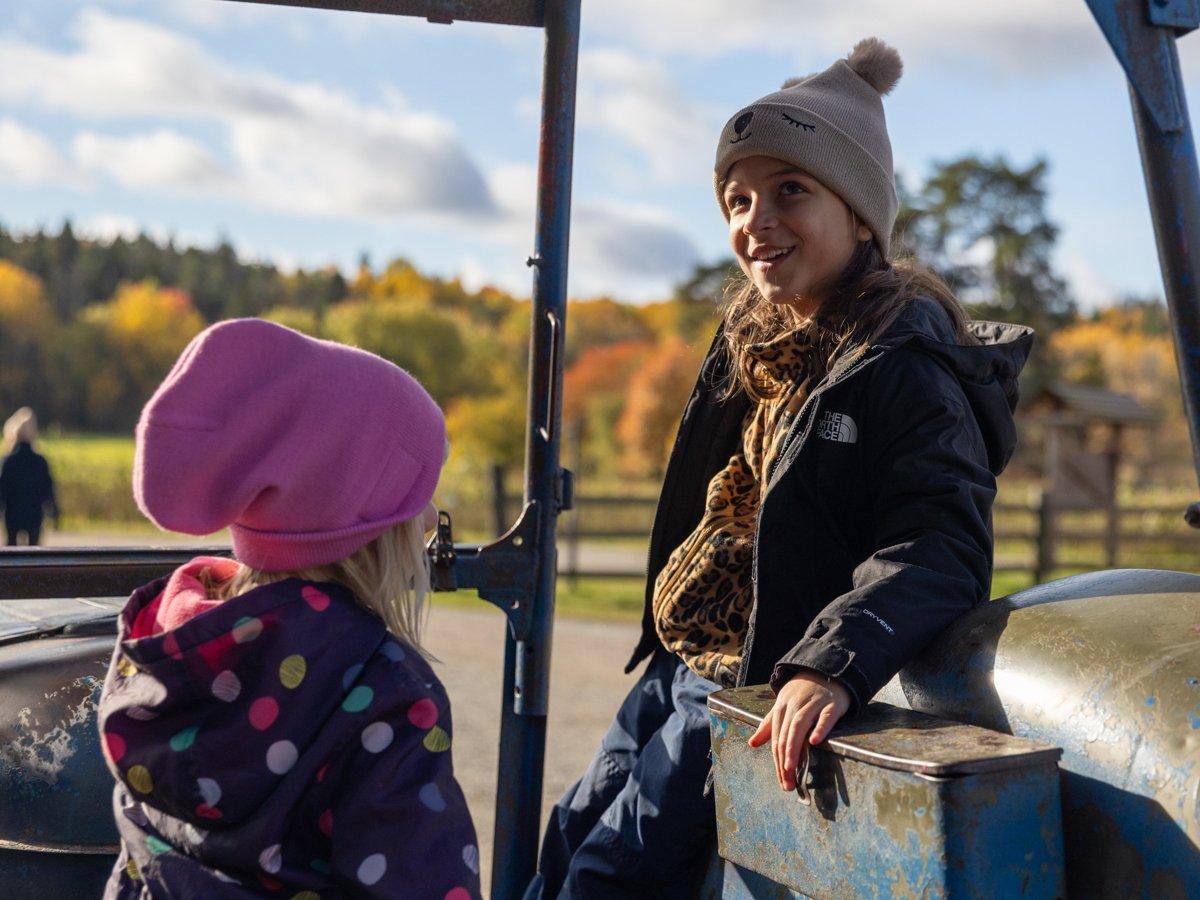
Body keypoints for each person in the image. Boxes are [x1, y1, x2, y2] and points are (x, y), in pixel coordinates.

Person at [528, 37, 1034, 898]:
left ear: (861, 215)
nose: (754, 221)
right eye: (737, 198)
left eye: (789, 192)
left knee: (616, 873)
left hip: (763, 669)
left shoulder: (902, 366)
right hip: (688, 653)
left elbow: (937, 542)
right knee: (573, 829)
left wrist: (830, 662)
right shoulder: (759, 347)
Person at [96, 319, 480, 898]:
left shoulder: (163, 653)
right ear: (368, 520)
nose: (428, 521)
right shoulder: (386, 690)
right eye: (419, 494)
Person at [0, 407, 59, 546]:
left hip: (12, 514)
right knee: (34, 551)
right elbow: (48, 488)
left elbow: (2, 489)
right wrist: (54, 512)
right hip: (34, 515)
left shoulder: (8, 461)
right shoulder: (40, 461)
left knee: (11, 551)